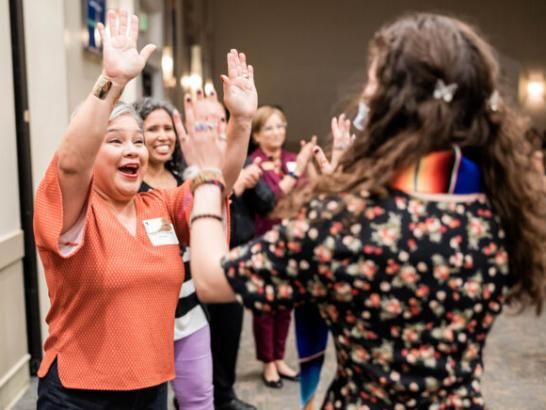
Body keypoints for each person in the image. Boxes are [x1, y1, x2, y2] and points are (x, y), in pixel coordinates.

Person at [177, 13, 545, 409]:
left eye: (373, 82)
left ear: (396, 101)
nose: (365, 96)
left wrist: (208, 176)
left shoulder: (346, 223)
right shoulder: (504, 211)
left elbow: (213, 279)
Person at [33, 8, 257, 409]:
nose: (133, 149)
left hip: (152, 386)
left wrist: (241, 122)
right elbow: (70, 161)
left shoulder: (159, 203)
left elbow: (214, 183)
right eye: (115, 141)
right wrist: (113, 81)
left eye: (137, 140)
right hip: (79, 394)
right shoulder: (73, 209)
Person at [134, 97, 213, 410]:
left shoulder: (186, 181)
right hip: (144, 316)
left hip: (189, 310)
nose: (163, 135)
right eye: (153, 129)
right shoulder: (128, 186)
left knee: (199, 398)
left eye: (168, 128)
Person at [248, 105, 316, 388]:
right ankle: (267, 363)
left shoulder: (292, 159)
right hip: (264, 241)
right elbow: (270, 201)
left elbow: (311, 189)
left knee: (286, 304)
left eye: (281, 126)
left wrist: (308, 164)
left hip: (292, 241)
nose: (277, 132)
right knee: (265, 305)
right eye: (269, 128)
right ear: (256, 134)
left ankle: (279, 357)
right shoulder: (252, 163)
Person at [209, 151, 274, 410]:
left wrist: (252, 181)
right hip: (206, 255)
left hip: (236, 258)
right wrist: (234, 188)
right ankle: (193, 397)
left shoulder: (243, 161)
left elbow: (269, 204)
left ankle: (224, 395)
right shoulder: (191, 162)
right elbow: (190, 207)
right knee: (200, 339)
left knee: (230, 332)